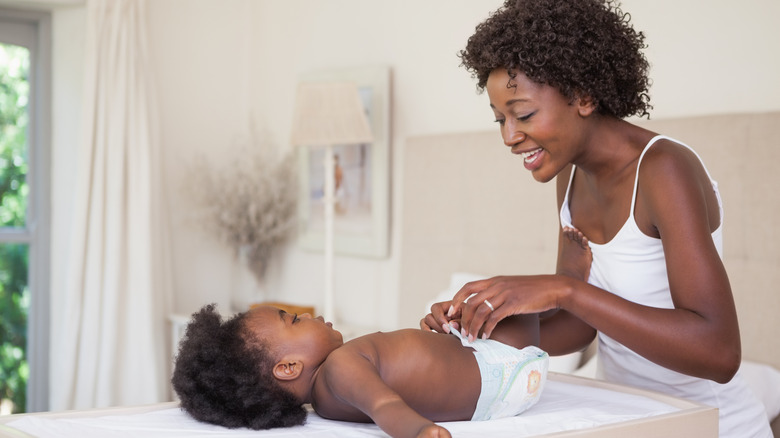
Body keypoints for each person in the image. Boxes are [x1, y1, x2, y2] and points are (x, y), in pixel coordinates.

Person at [420, 1, 772, 437]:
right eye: (500, 120)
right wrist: (480, 325)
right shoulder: (568, 175)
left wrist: (563, 290)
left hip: (711, 425)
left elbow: (718, 354)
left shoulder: (664, 170)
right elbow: (579, 326)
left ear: (584, 96)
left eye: (524, 114)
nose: (509, 137)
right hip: (631, 417)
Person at [171, 303, 548, 438]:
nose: (313, 315)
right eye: (296, 321)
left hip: (493, 392)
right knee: (507, 301)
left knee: (492, 311)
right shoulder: (339, 368)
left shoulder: (326, 403)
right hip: (498, 366)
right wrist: (419, 431)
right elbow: (384, 405)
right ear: (287, 368)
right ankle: (575, 273)